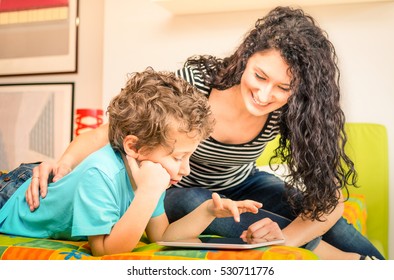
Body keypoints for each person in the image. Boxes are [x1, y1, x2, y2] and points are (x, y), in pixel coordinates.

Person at [25, 6, 384, 259]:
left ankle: (374, 267)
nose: (264, 95)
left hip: (243, 181)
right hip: (180, 188)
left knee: (315, 210)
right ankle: (334, 259)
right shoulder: (196, 84)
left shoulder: (290, 109)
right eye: (259, 76)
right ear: (246, 58)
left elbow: (331, 199)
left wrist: (288, 238)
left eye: (282, 87)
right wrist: (64, 165)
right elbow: (114, 132)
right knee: (198, 203)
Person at [0, 68, 265, 256]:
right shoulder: (101, 173)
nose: (186, 169)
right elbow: (107, 251)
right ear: (134, 146)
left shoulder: (148, 173)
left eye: (188, 157)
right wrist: (147, 194)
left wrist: (207, 211)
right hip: (11, 196)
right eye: (177, 157)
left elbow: (161, 235)